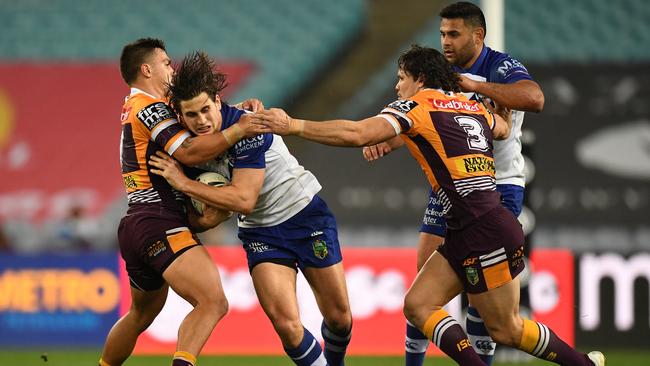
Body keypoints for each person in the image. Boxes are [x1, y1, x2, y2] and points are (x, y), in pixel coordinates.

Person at [253, 45, 605, 366]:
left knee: (506, 329)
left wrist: (293, 125)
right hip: (482, 225)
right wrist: (504, 115)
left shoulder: (417, 106)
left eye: (401, 78)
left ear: (419, 79)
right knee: (419, 305)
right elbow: (500, 129)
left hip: (481, 229)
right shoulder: (471, 106)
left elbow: (358, 133)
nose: (396, 87)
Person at [363, 2, 545, 364]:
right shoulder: (439, 72)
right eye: (442, 34)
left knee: (483, 293)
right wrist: (389, 137)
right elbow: (423, 115)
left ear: (477, 35)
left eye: (454, 34)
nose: (445, 41)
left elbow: (535, 98)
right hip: (450, 185)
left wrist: (471, 84)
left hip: (499, 185)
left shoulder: (500, 66)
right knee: (423, 278)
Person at [149, 51, 353, 366]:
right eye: (191, 115)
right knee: (287, 326)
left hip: (304, 215)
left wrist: (185, 184)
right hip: (261, 232)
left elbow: (244, 198)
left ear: (217, 101)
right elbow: (207, 219)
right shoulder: (188, 149)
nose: (201, 121)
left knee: (340, 319)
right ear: (180, 116)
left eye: (205, 110)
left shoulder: (248, 125)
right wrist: (204, 214)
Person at [98, 38, 264, 366]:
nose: (171, 69)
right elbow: (188, 151)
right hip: (159, 221)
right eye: (166, 63)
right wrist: (238, 130)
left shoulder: (136, 106)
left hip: (136, 224)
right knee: (212, 302)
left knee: (139, 316)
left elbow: (195, 123)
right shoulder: (150, 107)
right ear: (147, 69)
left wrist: (231, 112)